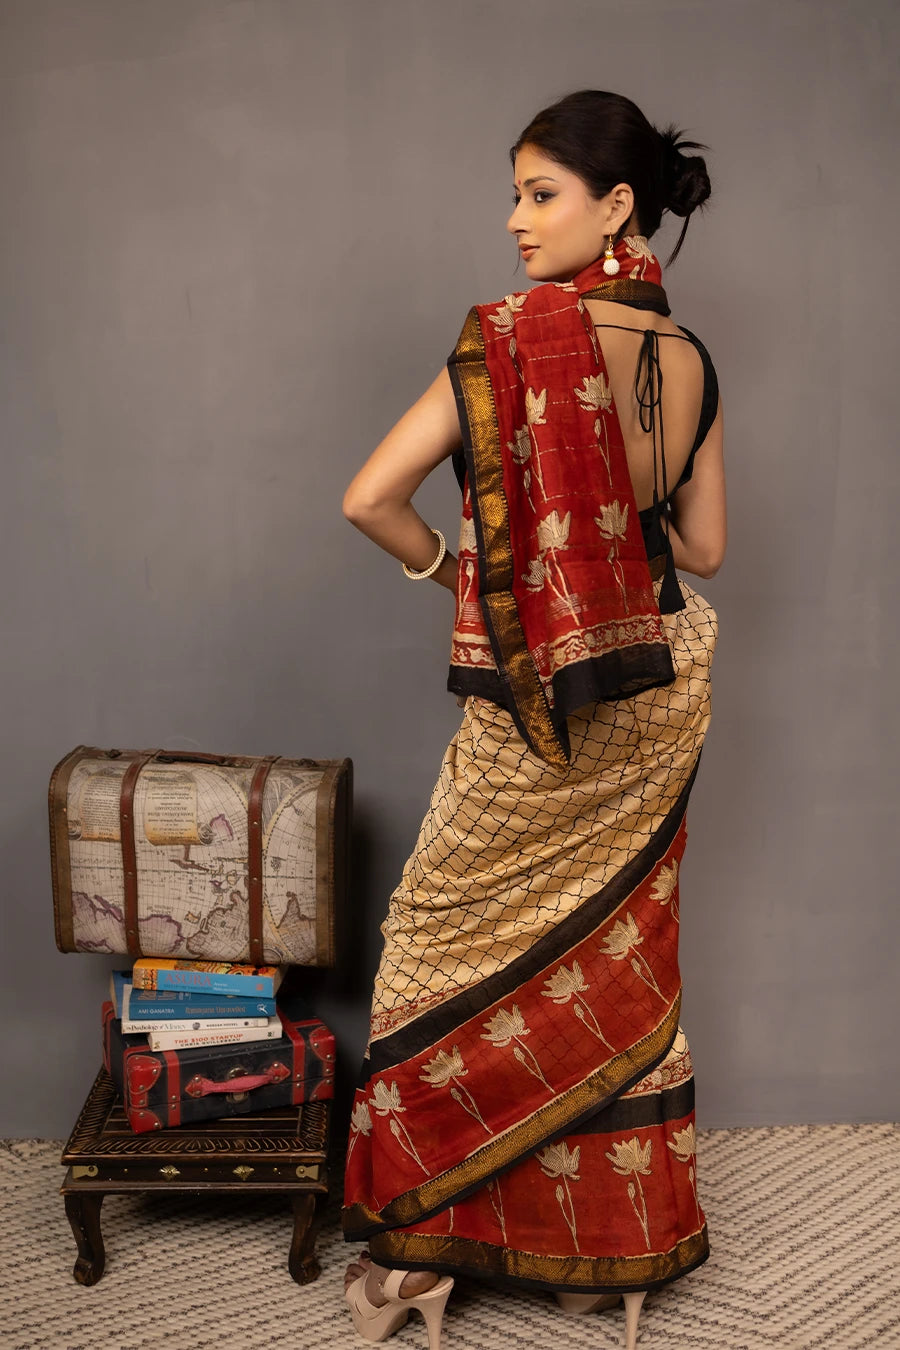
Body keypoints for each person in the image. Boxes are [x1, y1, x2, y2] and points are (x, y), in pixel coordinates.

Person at [340, 89, 726, 1350]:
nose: (514, 220)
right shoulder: (687, 359)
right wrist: (618, 550)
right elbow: (707, 549)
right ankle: (600, 1259)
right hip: (665, 677)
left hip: (535, 701)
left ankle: (417, 1266)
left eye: (539, 192)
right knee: (619, 947)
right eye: (514, 192)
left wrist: (478, 578)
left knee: (435, 942)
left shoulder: (502, 346)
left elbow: (370, 500)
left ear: (618, 205)